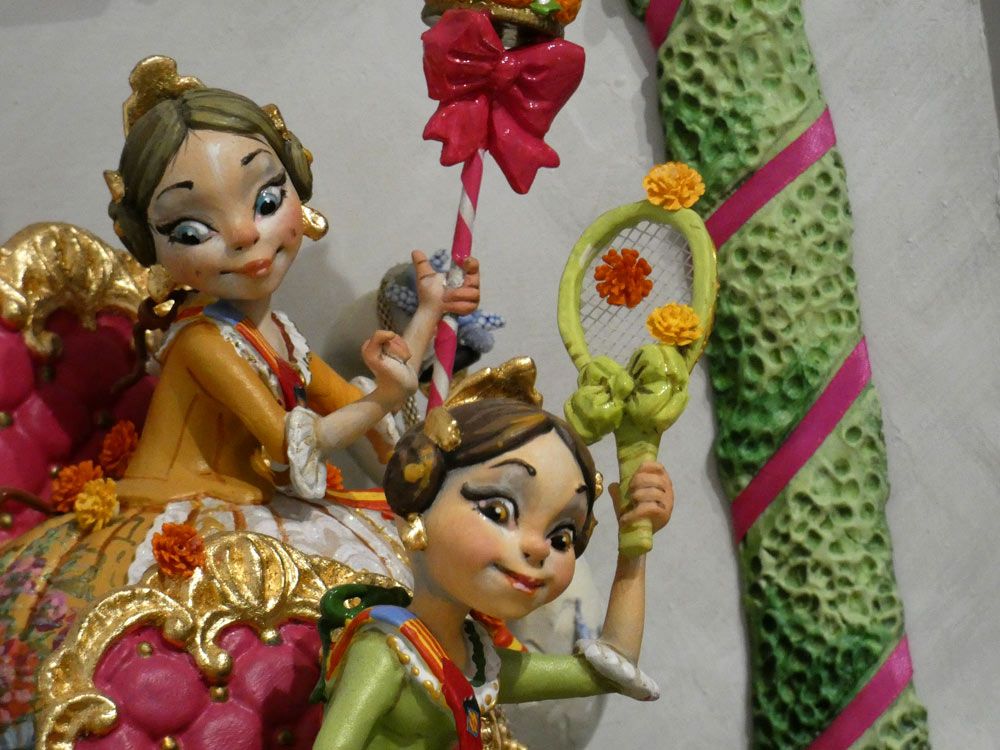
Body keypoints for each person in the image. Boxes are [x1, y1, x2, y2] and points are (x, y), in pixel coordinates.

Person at [0, 56, 477, 746]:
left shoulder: (278, 332)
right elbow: (291, 442)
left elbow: (357, 402)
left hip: (254, 502)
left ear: (298, 192)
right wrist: (384, 401)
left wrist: (428, 316)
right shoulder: (202, 342)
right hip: (180, 511)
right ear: (151, 246)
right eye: (193, 231)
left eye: (266, 199)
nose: (247, 235)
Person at [314, 387, 674, 749]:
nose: (538, 548)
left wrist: (634, 545)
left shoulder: (479, 661)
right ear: (417, 504)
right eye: (498, 511)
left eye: (561, 537)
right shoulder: (383, 652)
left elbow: (610, 669)